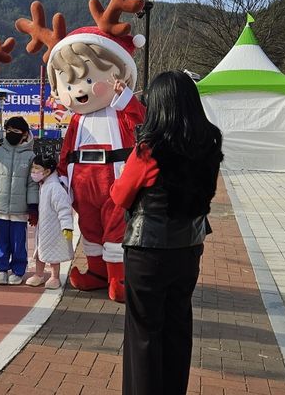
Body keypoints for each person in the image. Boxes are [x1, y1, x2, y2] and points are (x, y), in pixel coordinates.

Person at [110, 71, 223, 395]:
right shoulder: (209, 143)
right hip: (189, 248)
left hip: (149, 252)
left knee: (143, 335)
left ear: (158, 106)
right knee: (177, 329)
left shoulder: (149, 150)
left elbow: (120, 196)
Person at [0, 116, 39, 285]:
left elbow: (33, 184)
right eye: (8, 130)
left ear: (25, 134)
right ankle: (1, 270)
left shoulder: (30, 157)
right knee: (0, 241)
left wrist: (33, 207)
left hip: (20, 210)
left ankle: (18, 271)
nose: (11, 134)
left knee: (19, 242)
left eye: (16, 131)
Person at [25, 155, 74, 289]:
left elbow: (64, 209)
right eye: (33, 168)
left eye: (37, 168)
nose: (33, 171)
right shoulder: (43, 185)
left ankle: (54, 277)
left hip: (54, 228)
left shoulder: (55, 188)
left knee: (53, 253)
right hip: (44, 228)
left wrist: (67, 227)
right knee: (39, 252)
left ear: (47, 171)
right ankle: (39, 274)